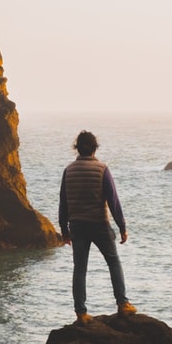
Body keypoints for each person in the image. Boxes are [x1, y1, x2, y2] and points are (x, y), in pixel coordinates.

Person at [57, 130, 135, 323]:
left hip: (77, 226)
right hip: (99, 224)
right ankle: (122, 304)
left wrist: (64, 232)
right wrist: (122, 227)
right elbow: (113, 201)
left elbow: (63, 204)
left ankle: (81, 313)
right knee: (113, 262)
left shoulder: (69, 171)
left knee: (80, 269)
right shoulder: (102, 169)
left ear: (77, 147)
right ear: (94, 148)